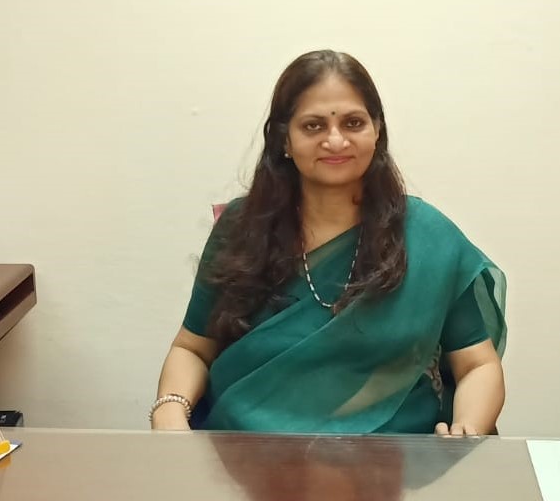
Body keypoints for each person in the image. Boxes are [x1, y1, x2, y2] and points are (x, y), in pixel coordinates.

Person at [151, 50, 506, 435]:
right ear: (284, 139)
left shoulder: (428, 237)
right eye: (314, 126)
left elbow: (476, 365)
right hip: (249, 458)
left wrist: (466, 430)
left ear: (377, 132)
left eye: (353, 123)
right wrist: (170, 410)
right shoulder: (243, 228)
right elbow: (193, 348)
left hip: (392, 468)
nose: (335, 140)